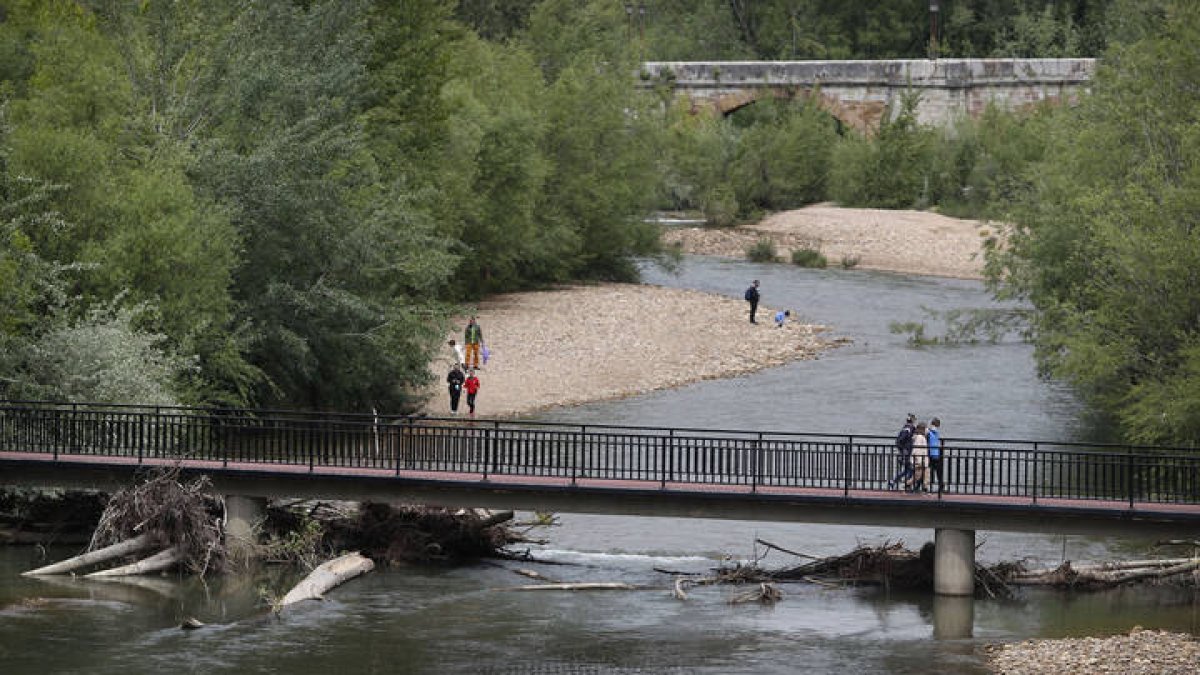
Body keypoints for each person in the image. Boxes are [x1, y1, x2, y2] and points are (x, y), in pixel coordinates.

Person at [888, 413, 916, 490]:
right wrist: (904, 450)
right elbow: (900, 441)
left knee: (908, 470)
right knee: (910, 469)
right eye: (914, 419)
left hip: (907, 453)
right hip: (907, 453)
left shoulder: (908, 428)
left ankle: (894, 481)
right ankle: (906, 485)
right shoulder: (908, 429)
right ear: (912, 420)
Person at [910, 421, 929, 492]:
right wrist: (918, 460)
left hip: (923, 459)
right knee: (917, 476)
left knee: (926, 473)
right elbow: (917, 449)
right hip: (920, 460)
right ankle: (907, 484)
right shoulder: (919, 437)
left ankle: (925, 487)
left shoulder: (922, 437)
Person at [927, 417, 943, 492]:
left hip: (931, 453)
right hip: (936, 454)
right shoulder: (935, 432)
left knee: (928, 471)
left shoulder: (929, 431)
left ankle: (924, 486)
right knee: (938, 471)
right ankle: (941, 485)